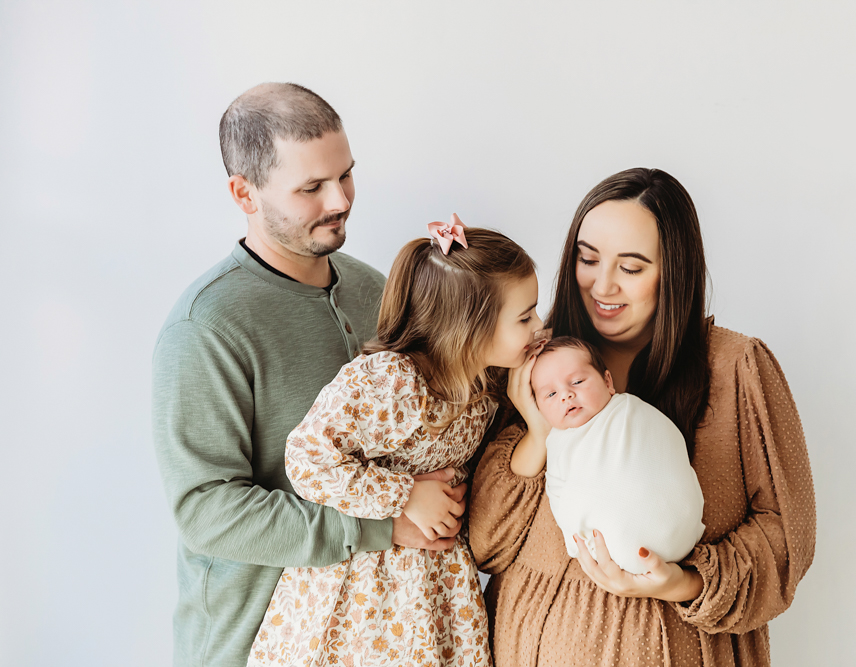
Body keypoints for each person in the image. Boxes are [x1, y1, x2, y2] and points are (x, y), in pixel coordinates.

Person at [152, 83, 460, 667]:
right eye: (310, 188)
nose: (340, 199)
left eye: (345, 175)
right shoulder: (204, 328)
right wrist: (382, 522)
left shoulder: (379, 291)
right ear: (244, 192)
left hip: (380, 639)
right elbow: (206, 511)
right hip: (248, 645)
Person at [469, 168, 816, 666]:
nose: (601, 284)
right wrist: (539, 430)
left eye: (631, 268)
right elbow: (483, 547)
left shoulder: (738, 367)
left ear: (674, 272)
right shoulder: (528, 363)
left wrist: (686, 582)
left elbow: (788, 535)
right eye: (587, 259)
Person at [247, 218, 544, 667]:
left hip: (438, 588)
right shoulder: (388, 381)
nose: (538, 325)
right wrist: (406, 496)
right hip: (363, 591)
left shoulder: (488, 387)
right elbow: (308, 460)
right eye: (525, 317)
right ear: (470, 328)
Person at [529, 336, 704, 575]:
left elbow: (667, 444)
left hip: (676, 526)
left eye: (577, 381)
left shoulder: (630, 410)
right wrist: (579, 545)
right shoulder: (558, 442)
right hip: (623, 551)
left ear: (607, 381)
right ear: (538, 409)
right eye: (550, 395)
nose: (566, 395)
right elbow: (559, 496)